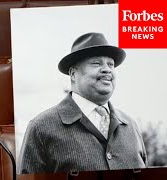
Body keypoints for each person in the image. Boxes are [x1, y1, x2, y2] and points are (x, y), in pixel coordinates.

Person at [18, 32, 147, 174]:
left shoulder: (131, 126)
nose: (107, 69)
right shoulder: (41, 127)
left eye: (111, 64)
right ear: (73, 74)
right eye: (96, 63)